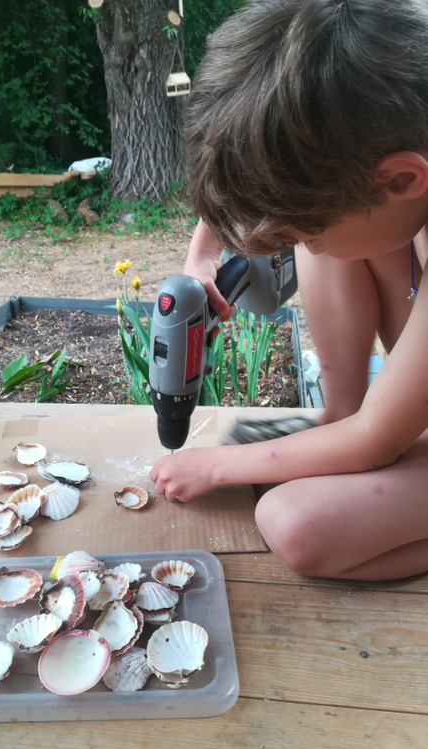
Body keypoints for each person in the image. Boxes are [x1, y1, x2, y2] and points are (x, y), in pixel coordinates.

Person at [149, 0, 428, 581]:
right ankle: (341, 414)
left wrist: (217, 466)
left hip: (389, 430)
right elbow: (272, 138)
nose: (306, 249)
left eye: (310, 236)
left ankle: (358, 431)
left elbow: (376, 441)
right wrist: (204, 253)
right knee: (346, 229)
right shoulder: (378, 87)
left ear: (404, 178)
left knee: (296, 525)